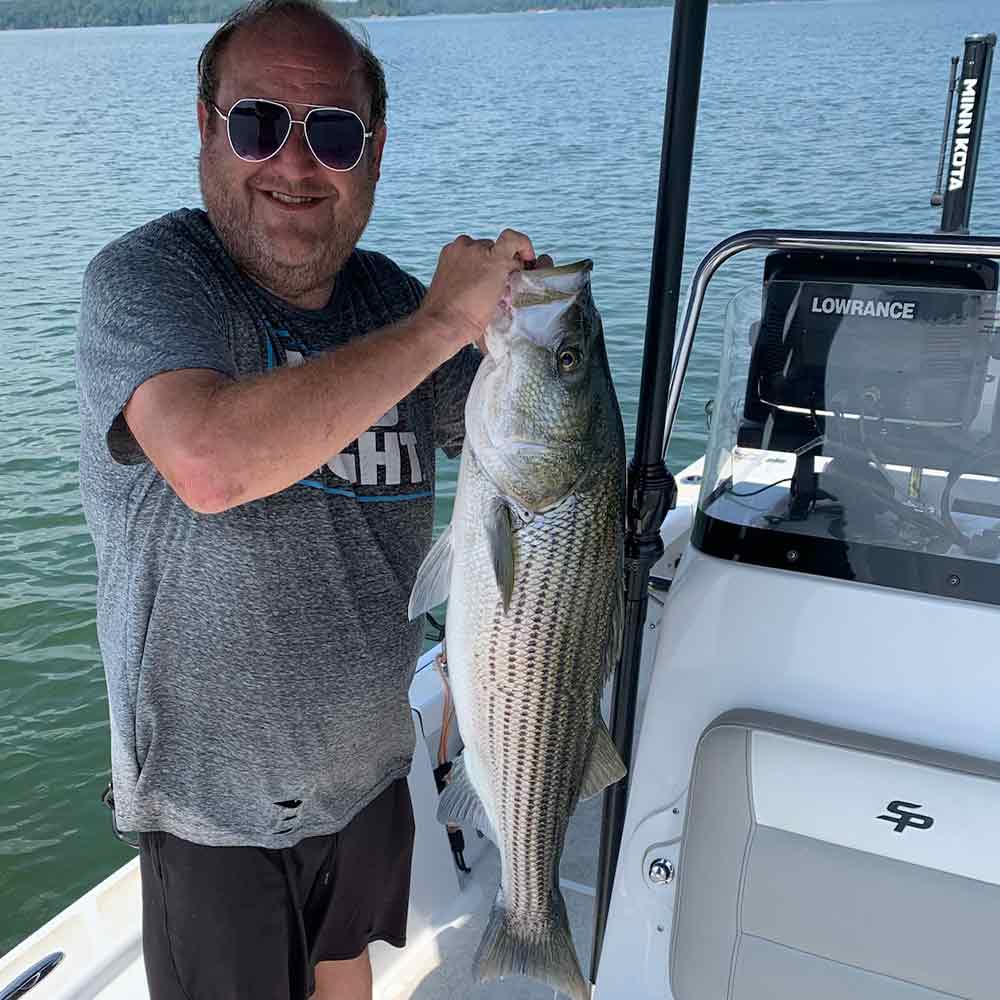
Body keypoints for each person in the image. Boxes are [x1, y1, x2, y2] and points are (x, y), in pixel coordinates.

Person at [74, 1, 549, 997]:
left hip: (371, 766)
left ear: (373, 155)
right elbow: (210, 463)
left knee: (347, 976)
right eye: (257, 123)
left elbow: (528, 457)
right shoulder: (149, 283)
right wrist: (436, 327)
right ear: (206, 128)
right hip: (216, 807)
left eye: (332, 134)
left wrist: (535, 337)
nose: (293, 166)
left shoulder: (387, 300)